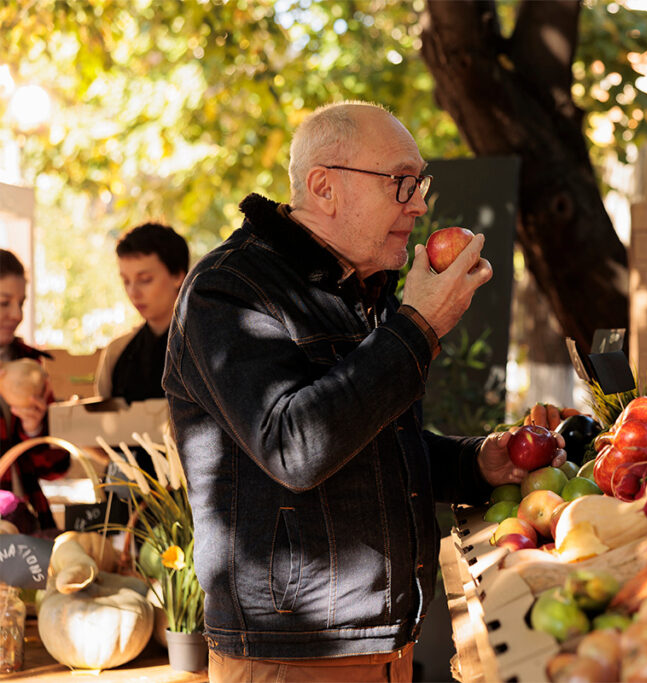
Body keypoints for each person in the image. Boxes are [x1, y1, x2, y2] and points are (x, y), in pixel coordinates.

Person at [163, 101, 565, 682]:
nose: (420, 204)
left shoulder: (358, 289)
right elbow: (294, 448)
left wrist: (476, 461)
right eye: (402, 183)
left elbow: (370, 448)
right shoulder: (228, 291)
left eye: (419, 184)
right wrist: (416, 328)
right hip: (294, 654)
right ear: (324, 187)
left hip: (384, 640)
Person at [0, 249, 69, 531]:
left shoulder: (32, 365)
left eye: (21, 303)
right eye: (4, 303)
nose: (17, 315)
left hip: (29, 521)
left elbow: (55, 468)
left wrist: (34, 429)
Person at [95, 223, 189, 402]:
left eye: (145, 280)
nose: (133, 292)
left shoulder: (209, 346)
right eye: (126, 281)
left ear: (177, 275)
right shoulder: (116, 354)